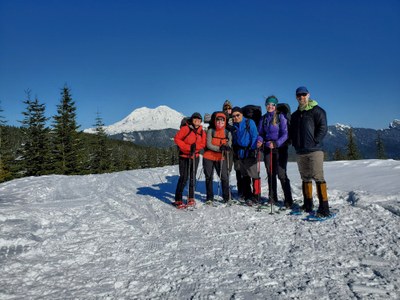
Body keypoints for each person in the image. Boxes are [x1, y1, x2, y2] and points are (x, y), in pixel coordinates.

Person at [290, 86, 331, 217]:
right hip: (300, 151)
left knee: (318, 177)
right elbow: (292, 131)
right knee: (305, 178)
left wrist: (315, 140)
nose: (301, 97)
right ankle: (308, 204)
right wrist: (295, 143)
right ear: (296, 97)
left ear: (308, 95)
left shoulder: (317, 111)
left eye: (303, 94)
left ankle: (324, 207)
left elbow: (323, 127)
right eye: (299, 95)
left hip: (315, 150)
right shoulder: (295, 115)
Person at [257, 96, 294, 208]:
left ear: (275, 106)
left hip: (280, 148)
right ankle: (272, 197)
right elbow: (260, 133)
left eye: (272, 104)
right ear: (265, 105)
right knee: (270, 173)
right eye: (268, 104)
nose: (270, 106)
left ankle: (288, 200)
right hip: (268, 148)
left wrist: (276, 143)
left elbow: (285, 134)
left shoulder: (280, 117)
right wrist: (259, 140)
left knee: (281, 174)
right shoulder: (263, 119)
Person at [174, 112, 206, 208]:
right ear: (192, 120)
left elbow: (203, 144)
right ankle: (178, 199)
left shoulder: (202, 131)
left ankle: (191, 197)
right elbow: (177, 139)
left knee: (192, 177)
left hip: (195, 157)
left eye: (199, 119)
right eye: (195, 118)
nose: (197, 120)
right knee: (183, 177)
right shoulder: (185, 128)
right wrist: (188, 148)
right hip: (184, 156)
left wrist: (195, 147)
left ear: (201, 121)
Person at [231, 106, 260, 205]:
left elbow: (255, 135)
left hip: (250, 151)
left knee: (254, 175)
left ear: (242, 114)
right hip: (240, 153)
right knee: (245, 175)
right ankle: (248, 195)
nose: (236, 117)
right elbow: (236, 139)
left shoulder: (249, 122)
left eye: (237, 115)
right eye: (233, 116)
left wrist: (253, 149)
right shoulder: (235, 125)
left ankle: (256, 196)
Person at [203, 112, 232, 204]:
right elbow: (208, 144)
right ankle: (209, 198)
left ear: (225, 121)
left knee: (224, 177)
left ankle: (226, 197)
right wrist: (220, 148)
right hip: (208, 157)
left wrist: (226, 147)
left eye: (222, 120)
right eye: (218, 120)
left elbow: (229, 145)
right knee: (209, 177)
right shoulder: (211, 131)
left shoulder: (227, 133)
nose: (220, 122)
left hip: (221, 158)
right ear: (215, 121)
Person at [223, 100, 242, 198]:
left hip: (237, 146)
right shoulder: (222, 119)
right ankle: (227, 190)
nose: (227, 110)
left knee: (238, 169)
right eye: (225, 108)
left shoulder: (236, 118)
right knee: (227, 169)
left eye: (229, 108)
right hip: (228, 148)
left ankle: (241, 190)